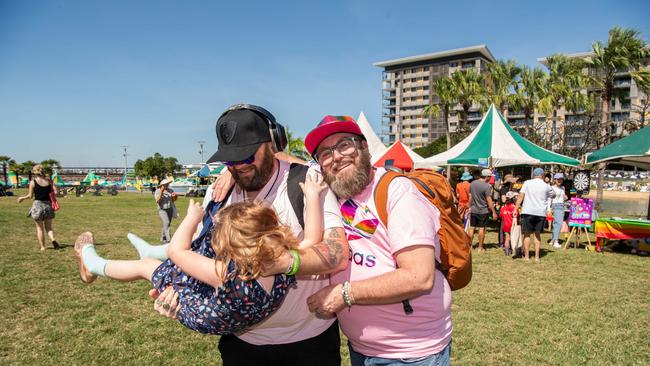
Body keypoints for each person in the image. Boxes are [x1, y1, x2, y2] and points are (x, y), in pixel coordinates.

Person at [152, 104, 349, 366]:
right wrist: (175, 293)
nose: (238, 167)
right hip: (241, 344)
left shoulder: (306, 181)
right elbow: (195, 259)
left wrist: (275, 263)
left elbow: (337, 253)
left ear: (272, 143)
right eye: (229, 160)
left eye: (246, 156)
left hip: (309, 341)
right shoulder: (218, 193)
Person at [73, 171, 326, 335]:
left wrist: (193, 218)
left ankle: (91, 262)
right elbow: (313, 238)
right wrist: (313, 197)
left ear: (231, 250)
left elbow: (177, 250)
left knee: (146, 266)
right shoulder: (281, 259)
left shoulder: (224, 273)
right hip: (243, 311)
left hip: (199, 310)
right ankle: (150, 249)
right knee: (194, 252)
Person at [303, 116, 452, 366]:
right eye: (325, 153)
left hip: (411, 354)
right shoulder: (335, 197)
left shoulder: (396, 191)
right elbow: (283, 163)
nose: (336, 157)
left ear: (364, 147)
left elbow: (419, 276)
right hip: (361, 349)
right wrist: (233, 170)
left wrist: (345, 293)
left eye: (344, 145)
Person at [515, 168, 555, 263]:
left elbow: (521, 196)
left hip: (527, 211)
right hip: (540, 213)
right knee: (537, 234)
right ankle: (537, 257)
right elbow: (553, 195)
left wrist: (516, 208)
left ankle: (527, 256)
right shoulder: (546, 186)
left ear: (534, 175)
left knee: (527, 234)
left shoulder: (527, 183)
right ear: (542, 175)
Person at [17, 164, 60, 251]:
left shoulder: (33, 182)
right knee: (49, 227)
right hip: (48, 205)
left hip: (38, 206)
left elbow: (30, 196)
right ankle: (53, 239)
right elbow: (56, 191)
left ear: (35, 172)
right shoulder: (49, 181)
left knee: (39, 228)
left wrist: (22, 198)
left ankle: (43, 247)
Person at [468, 169, 498, 252]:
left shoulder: (472, 183)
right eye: (490, 177)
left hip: (473, 210)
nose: (490, 178)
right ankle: (480, 247)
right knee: (482, 228)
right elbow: (489, 200)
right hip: (483, 211)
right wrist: (494, 212)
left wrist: (468, 206)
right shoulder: (487, 186)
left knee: (472, 228)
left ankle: (469, 246)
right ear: (487, 177)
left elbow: (470, 197)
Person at [154, 178, 177, 243]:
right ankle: (168, 240)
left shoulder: (171, 190)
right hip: (162, 209)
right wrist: (161, 192)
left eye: (168, 184)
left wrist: (174, 196)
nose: (167, 185)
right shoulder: (157, 191)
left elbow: (174, 200)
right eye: (166, 184)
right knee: (166, 222)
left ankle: (163, 238)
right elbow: (157, 201)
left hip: (170, 208)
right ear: (162, 185)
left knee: (167, 224)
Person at [549, 172, 568, 248]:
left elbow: (563, 196)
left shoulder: (563, 188)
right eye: (558, 179)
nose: (560, 181)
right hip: (555, 206)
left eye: (561, 179)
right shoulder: (551, 188)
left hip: (561, 206)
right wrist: (549, 209)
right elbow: (549, 199)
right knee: (559, 224)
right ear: (555, 180)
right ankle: (556, 241)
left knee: (556, 223)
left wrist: (565, 197)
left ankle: (553, 240)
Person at [499, 191, 517, 256]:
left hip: (506, 225)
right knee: (513, 238)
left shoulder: (503, 207)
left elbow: (500, 216)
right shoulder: (514, 207)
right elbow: (517, 215)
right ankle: (513, 250)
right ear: (512, 198)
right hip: (513, 225)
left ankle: (507, 252)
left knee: (507, 238)